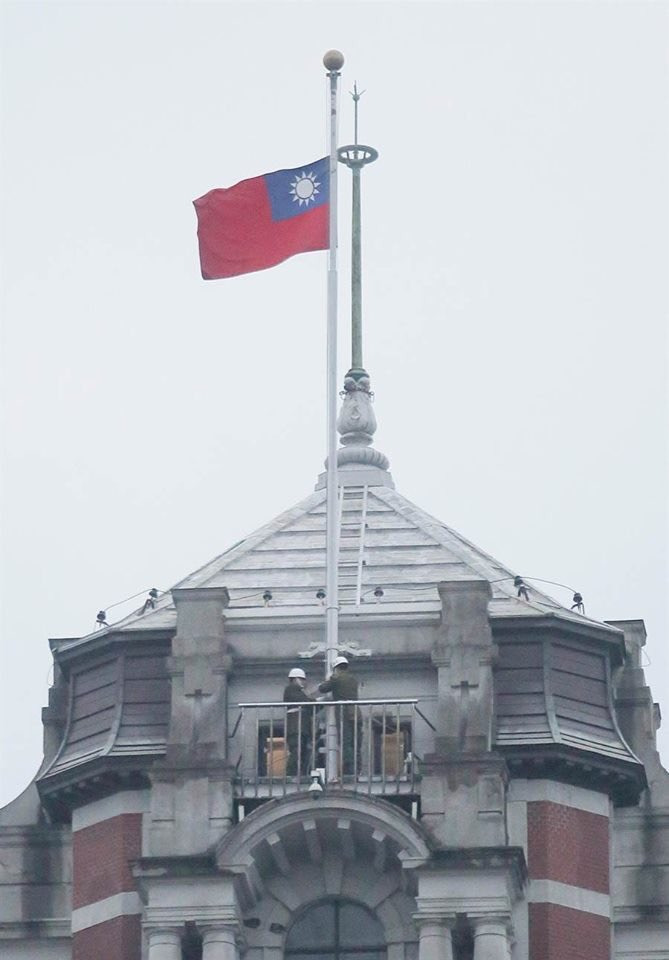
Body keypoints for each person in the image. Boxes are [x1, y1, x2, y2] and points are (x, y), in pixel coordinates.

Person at [318, 656, 361, 776]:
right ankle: (357, 769)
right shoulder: (353, 679)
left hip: (343, 712)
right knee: (356, 742)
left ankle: (349, 769)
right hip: (356, 711)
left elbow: (323, 688)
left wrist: (329, 679)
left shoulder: (336, 678)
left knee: (346, 741)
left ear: (336, 668)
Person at [283, 667, 316, 776]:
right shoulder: (291, 689)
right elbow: (304, 701)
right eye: (302, 679)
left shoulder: (299, 692)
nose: (304, 682)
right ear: (295, 679)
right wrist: (315, 701)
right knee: (296, 750)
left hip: (302, 727)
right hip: (296, 727)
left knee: (302, 751)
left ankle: (300, 773)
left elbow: (309, 707)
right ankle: (291, 773)